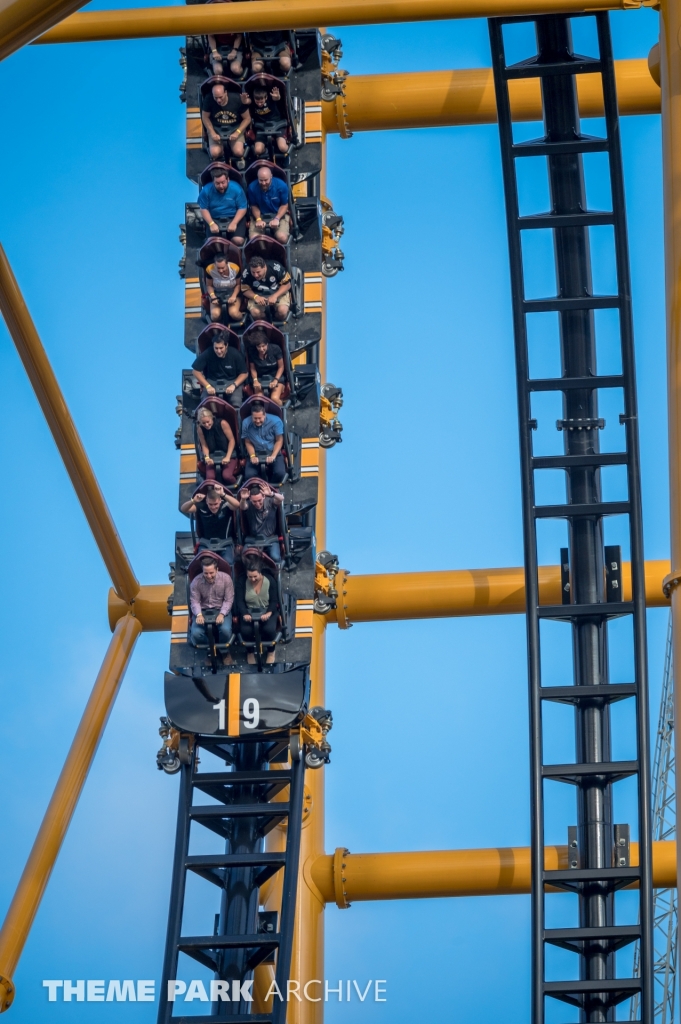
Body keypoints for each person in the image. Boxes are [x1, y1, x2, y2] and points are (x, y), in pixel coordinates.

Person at [235, 552, 279, 664]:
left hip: (266, 610)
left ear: (260, 573)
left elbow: (274, 600)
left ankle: (271, 651)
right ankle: (250, 652)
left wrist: (269, 613)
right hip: (249, 611)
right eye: (250, 577)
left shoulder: (269, 581)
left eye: (255, 576)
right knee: (246, 630)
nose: (253, 579)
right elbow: (239, 600)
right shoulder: (242, 582)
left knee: (268, 629)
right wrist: (245, 613)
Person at [189, 556, 234, 662]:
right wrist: (199, 614)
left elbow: (228, 600)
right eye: (206, 573)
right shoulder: (196, 582)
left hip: (221, 609)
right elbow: (194, 601)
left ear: (217, 569)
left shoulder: (226, 579)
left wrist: (222, 614)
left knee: (225, 630)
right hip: (203, 611)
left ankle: (224, 651)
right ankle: (210, 650)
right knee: (196, 634)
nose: (209, 576)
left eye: (211, 573)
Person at [201, 81, 251, 164]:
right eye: (216, 97)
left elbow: (247, 119)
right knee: (214, 153)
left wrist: (237, 132)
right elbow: (205, 117)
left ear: (225, 92)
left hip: (235, 127)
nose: (218, 100)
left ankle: (237, 158)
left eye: (220, 97)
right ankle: (223, 157)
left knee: (238, 152)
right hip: (216, 128)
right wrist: (212, 133)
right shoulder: (209, 99)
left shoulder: (236, 98)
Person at [192, 334, 248, 406]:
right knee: (206, 402)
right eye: (216, 348)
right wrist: (207, 386)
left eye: (221, 348)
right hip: (212, 382)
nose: (218, 351)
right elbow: (195, 371)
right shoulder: (208, 353)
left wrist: (234, 385)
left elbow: (244, 373)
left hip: (232, 381)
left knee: (235, 401)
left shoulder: (235, 354)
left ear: (226, 345)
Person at [180, 484, 235, 556]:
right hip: (206, 543)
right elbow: (184, 509)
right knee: (203, 561)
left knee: (228, 562)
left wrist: (223, 494)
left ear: (220, 501)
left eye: (215, 504)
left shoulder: (225, 505)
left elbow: (237, 505)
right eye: (210, 504)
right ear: (206, 501)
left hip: (225, 542)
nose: (213, 507)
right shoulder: (201, 507)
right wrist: (193, 501)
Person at [198, 167, 247, 243]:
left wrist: (234, 223)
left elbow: (243, 207)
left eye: (223, 182)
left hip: (234, 217)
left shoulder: (237, 189)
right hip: (214, 219)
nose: (221, 186)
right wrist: (211, 224)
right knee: (213, 242)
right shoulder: (206, 190)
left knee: (238, 240)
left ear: (228, 180)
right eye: (217, 183)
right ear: (213, 182)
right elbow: (203, 208)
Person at [241, 399, 286, 483]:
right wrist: (252, 456)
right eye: (255, 418)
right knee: (249, 475)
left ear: (264, 415)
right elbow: (247, 442)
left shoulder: (275, 421)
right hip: (256, 451)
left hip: (272, 451)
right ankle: (260, 486)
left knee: (280, 473)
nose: (257, 421)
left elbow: (279, 440)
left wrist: (273, 456)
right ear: (251, 416)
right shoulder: (246, 423)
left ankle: (271, 487)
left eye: (260, 418)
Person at [239, 480, 284, 562]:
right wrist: (243, 499)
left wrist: (272, 494)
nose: (257, 504)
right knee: (244, 557)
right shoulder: (248, 504)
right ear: (250, 499)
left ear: (263, 496)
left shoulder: (270, 501)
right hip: (253, 540)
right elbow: (243, 507)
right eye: (254, 501)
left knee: (275, 557)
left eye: (259, 500)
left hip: (270, 538)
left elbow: (281, 499)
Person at [241, 255, 291, 322]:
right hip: (257, 294)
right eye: (253, 272)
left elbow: (287, 285)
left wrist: (275, 296)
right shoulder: (246, 272)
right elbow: (244, 289)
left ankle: (276, 320)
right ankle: (265, 323)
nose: (256, 275)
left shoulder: (276, 268)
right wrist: (255, 297)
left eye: (258, 272)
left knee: (282, 311)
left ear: (264, 267)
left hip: (277, 292)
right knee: (255, 313)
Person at [247, 165, 290, 243]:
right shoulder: (252, 187)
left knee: (282, 237)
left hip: (278, 214)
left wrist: (277, 218)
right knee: (254, 239)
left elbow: (284, 205)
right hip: (260, 216)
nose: (263, 183)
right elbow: (254, 206)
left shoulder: (281, 186)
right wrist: (258, 219)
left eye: (266, 180)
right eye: (261, 180)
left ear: (271, 176)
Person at [196, 406, 239, 484]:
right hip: (212, 456)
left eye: (208, 422)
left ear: (211, 418)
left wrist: (228, 457)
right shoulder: (200, 429)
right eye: (203, 423)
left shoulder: (223, 423)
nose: (206, 424)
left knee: (227, 476)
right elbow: (204, 445)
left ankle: (236, 487)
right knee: (210, 478)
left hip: (229, 454)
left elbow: (232, 440)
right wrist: (207, 458)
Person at [247, 327, 286, 405]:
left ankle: (281, 410)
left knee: (274, 399)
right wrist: (255, 380)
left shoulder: (275, 349)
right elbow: (252, 368)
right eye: (259, 347)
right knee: (259, 400)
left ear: (267, 344)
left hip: (276, 377)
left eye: (263, 346)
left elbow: (281, 367)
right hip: (260, 378)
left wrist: (275, 380)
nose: (261, 349)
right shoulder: (252, 351)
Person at [248, 84, 289, 157]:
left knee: (282, 147)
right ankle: (266, 150)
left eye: (261, 101)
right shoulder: (253, 103)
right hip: (261, 126)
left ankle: (287, 154)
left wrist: (277, 96)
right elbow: (247, 101)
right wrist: (244, 100)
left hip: (277, 124)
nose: (259, 104)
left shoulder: (271, 99)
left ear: (266, 97)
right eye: (257, 102)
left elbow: (277, 98)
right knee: (257, 150)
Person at [205, 252, 243, 322]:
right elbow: (209, 285)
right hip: (217, 293)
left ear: (227, 264)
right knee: (215, 316)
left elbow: (238, 284)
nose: (220, 270)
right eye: (218, 268)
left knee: (234, 314)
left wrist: (234, 296)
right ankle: (221, 323)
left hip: (233, 292)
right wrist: (213, 296)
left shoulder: (235, 268)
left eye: (223, 268)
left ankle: (243, 319)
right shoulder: (209, 269)